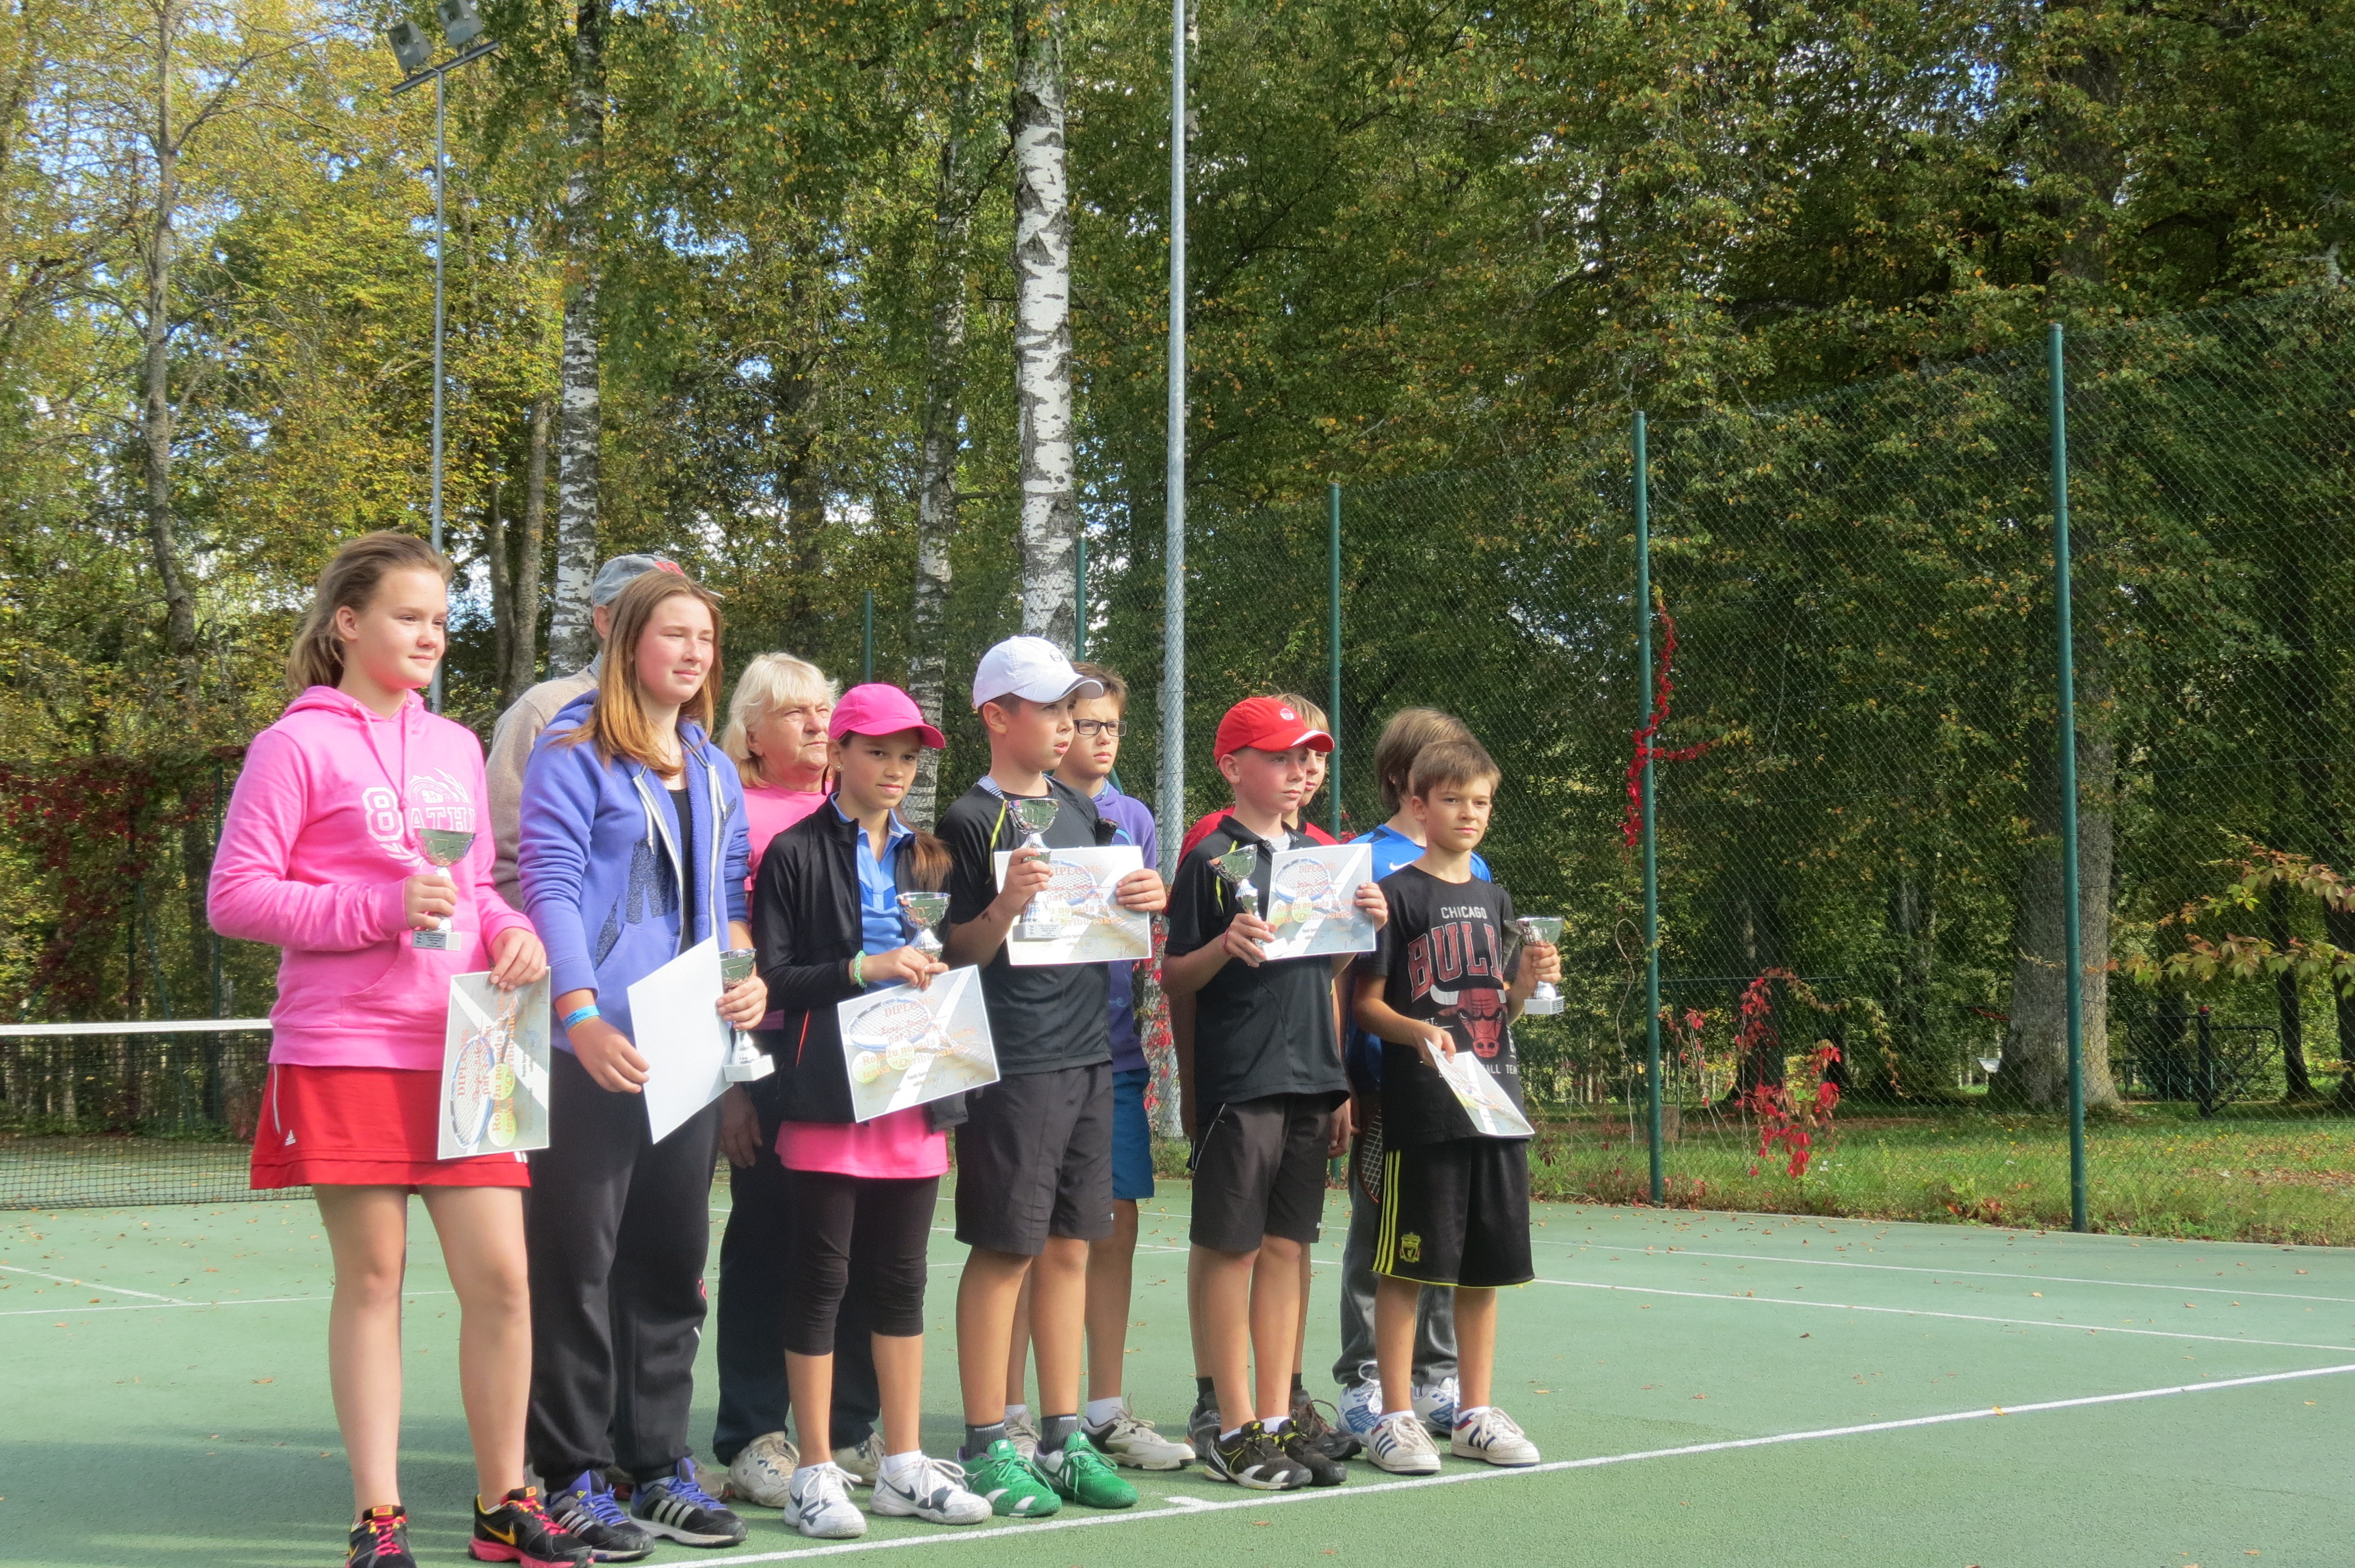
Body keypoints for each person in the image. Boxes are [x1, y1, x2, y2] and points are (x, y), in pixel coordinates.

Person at [207, 531, 585, 1568]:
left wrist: (512, 931)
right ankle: (379, 1519)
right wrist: (377, 905)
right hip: (348, 1046)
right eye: (409, 616)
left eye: (440, 620)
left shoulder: (456, 745)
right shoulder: (294, 745)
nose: (430, 636)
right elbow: (236, 897)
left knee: (504, 1281)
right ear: (348, 624)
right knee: (374, 1279)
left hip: (473, 1042)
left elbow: (477, 889)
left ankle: (504, 1504)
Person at [518, 569, 767, 1556]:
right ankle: (572, 1471)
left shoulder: (712, 763)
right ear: (627, 643)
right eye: (674, 634)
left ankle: (658, 1463)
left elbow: (730, 896)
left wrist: (746, 980)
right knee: (577, 1265)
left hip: (688, 1043)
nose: (695, 653)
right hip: (593, 1046)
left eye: (706, 637)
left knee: (670, 1261)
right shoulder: (572, 747)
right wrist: (578, 1013)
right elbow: (550, 884)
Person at [751, 683, 994, 1539]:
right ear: (839, 753)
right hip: (828, 1095)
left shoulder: (931, 860)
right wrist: (867, 969)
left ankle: (901, 1464)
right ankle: (815, 1472)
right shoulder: (792, 852)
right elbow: (774, 978)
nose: (896, 770)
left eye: (908, 757)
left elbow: (948, 957)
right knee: (820, 1282)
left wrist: (937, 968)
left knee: (901, 1281)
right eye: (879, 752)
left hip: (916, 1089)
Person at [937, 636, 1167, 1517]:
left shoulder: (1083, 811)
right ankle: (987, 1442)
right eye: (1049, 707)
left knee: (1074, 1244)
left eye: (1073, 705)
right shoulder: (968, 818)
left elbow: (1108, 928)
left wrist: (1140, 900)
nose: (1067, 721)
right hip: (1013, 1060)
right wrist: (1004, 906)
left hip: (1089, 1054)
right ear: (997, 717)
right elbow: (956, 951)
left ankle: (1065, 1438)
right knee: (1007, 1248)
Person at [1165, 697, 1386, 1490]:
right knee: (1234, 1249)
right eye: (1280, 756)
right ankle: (1232, 1429)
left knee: (1290, 1248)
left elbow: (1322, 968)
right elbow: (1174, 975)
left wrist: (1358, 928)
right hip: (1241, 1078)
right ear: (1233, 767)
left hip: (1311, 1074)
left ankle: (1275, 1418)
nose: (1299, 771)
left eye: (1307, 757)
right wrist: (1224, 946)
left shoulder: (1324, 856)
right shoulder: (1211, 856)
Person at [996, 662, 1191, 1470]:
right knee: (1023, 1234)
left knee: (1112, 1224)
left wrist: (1152, 900)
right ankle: (1008, 1413)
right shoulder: (1013, 811)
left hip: (1112, 1052)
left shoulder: (1133, 816)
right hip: (1035, 1054)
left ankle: (1104, 1410)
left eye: (1112, 725)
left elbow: (1142, 933)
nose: (1101, 739)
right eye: (1085, 723)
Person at [708, 655, 890, 1506]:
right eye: (794, 713)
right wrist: (732, 1083)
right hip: (770, 1056)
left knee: (853, 1249)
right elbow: (721, 944)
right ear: (751, 734)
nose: (819, 725)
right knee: (768, 1246)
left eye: (824, 710)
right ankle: (753, 1435)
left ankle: (848, 1428)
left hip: (861, 1057)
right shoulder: (732, 814)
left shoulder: (862, 812)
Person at [1351, 737, 1558, 1474]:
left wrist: (1525, 984)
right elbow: (1366, 1004)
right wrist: (1415, 1034)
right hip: (1424, 1110)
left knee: (1482, 1267)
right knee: (1407, 1267)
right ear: (1418, 805)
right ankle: (1396, 1415)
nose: (1468, 814)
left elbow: (1500, 1006)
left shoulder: (1495, 898)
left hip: (1494, 1102)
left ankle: (1473, 1412)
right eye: (1452, 800)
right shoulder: (1397, 895)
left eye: (1480, 802)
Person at [1332, 709, 1492, 1443]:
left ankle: (1435, 1381)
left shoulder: (1474, 866)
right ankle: (1365, 1382)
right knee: (1381, 1236)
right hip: (1381, 1079)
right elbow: (1342, 982)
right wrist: (1343, 1078)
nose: (1463, 802)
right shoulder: (1362, 860)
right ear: (1407, 780)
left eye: (1473, 790)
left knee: (1447, 1234)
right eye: (1443, 776)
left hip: (1457, 1089)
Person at [485, 554, 679, 910]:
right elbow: (501, 856)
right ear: (605, 621)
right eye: (645, 610)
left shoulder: (687, 730)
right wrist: (550, 935)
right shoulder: (545, 709)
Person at [1174, 692, 1339, 862]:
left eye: (1318, 756)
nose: (1308, 769)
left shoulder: (1324, 846)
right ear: (1232, 768)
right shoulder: (1212, 837)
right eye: (1280, 758)